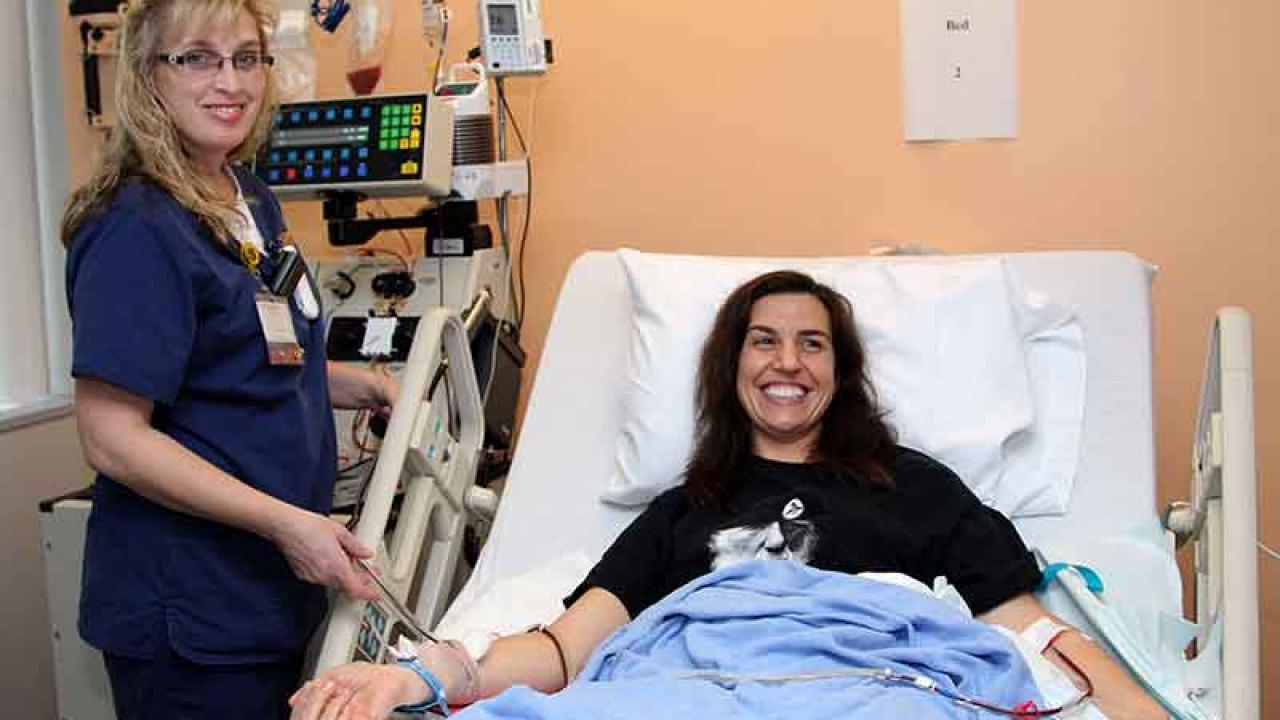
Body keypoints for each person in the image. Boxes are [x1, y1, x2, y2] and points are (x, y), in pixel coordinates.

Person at [289, 271, 1166, 720]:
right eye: (764, 340)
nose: (788, 362)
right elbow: (563, 651)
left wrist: (1137, 709)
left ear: (841, 370)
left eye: (813, 344)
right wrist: (421, 674)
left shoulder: (913, 487)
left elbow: (1029, 629)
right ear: (731, 365)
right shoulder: (685, 508)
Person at [61, 1, 394, 717]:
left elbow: (247, 358)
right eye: (198, 58)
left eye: (246, 58)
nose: (231, 82)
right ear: (147, 75)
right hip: (190, 611)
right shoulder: (136, 227)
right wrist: (286, 523)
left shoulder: (248, 198)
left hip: (262, 596)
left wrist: (353, 385)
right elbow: (112, 437)